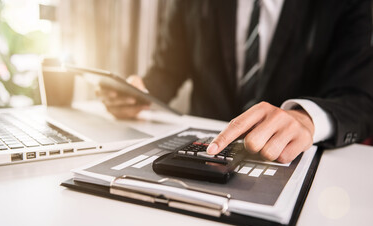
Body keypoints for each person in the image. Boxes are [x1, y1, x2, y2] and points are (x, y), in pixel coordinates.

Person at [98, 0, 373, 163]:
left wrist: (306, 119)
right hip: (200, 155)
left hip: (291, 164)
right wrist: (139, 92)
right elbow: (167, 69)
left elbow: (359, 99)